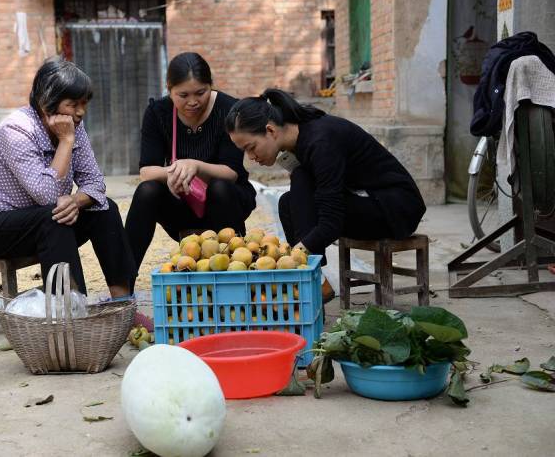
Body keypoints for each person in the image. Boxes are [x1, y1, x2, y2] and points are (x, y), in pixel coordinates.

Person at [0, 57, 136, 298]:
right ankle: (71, 311)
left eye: (84, 103)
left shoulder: (74, 125)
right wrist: (66, 142)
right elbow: (47, 196)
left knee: (104, 209)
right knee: (54, 218)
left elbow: (95, 182)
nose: (81, 112)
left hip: (35, 220)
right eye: (73, 104)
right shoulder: (16, 130)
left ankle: (123, 302)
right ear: (45, 103)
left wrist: (76, 201)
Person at [225, 88, 426, 303]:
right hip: (367, 201)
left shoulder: (321, 142)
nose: (251, 157)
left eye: (251, 147)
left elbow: (332, 221)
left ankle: (309, 280)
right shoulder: (303, 138)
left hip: (395, 209)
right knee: (287, 202)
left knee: (301, 181)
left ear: (270, 130)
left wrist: (293, 256)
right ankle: (316, 281)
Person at [125, 52, 256, 286]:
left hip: (227, 201)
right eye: (182, 95)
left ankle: (237, 275)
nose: (192, 102)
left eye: (200, 93)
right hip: (182, 201)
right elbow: (147, 171)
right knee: (147, 191)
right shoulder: (158, 113)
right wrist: (176, 172)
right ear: (169, 89)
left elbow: (232, 172)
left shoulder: (230, 109)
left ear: (210, 86)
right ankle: (123, 285)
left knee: (219, 187)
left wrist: (194, 166)